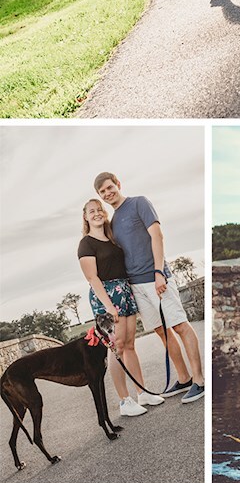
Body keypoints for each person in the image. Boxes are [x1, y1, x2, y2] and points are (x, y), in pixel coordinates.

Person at [94, 172, 205, 404]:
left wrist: (158, 272)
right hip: (135, 286)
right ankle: (183, 378)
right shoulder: (112, 223)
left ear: (118, 184)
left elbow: (157, 236)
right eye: (102, 192)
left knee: (180, 325)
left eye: (109, 187)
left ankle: (199, 380)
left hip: (156, 279)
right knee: (162, 332)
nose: (107, 193)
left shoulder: (139, 203)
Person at [78, 199, 165, 418]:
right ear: (86, 217)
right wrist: (109, 307)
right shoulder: (86, 243)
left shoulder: (112, 238)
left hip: (124, 290)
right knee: (116, 348)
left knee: (129, 345)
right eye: (92, 211)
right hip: (105, 296)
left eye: (99, 210)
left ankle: (142, 392)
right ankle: (124, 401)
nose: (97, 213)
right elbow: (92, 278)